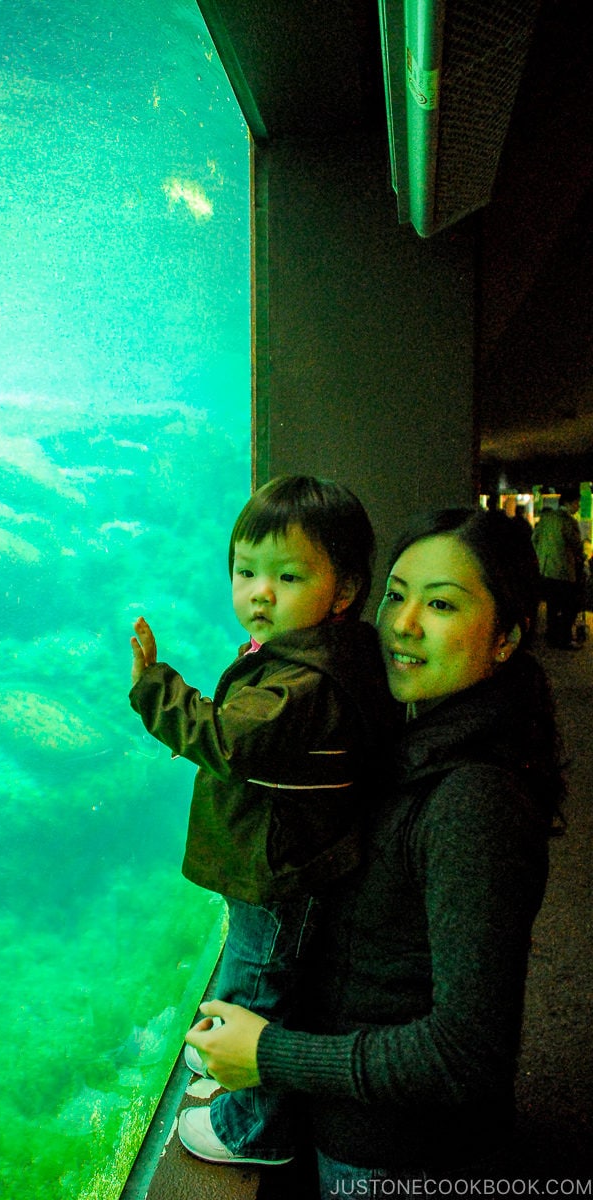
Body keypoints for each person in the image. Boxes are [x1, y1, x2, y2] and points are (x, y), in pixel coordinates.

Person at [183, 507, 565, 1189]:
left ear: (505, 636)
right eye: (396, 594)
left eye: (441, 604)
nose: (403, 624)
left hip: (399, 1159)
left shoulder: (474, 802)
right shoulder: (413, 737)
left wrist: (269, 1055)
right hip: (351, 1126)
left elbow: (464, 1055)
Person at [129, 475, 396, 1166]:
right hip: (289, 854)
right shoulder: (325, 649)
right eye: (246, 571)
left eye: (286, 575)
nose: (259, 591)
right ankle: (226, 1065)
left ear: (342, 591)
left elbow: (224, 740)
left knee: (258, 985)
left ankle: (256, 1129)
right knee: (255, 971)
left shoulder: (300, 681)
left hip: (279, 867)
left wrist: (157, 686)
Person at [532, 488, 585, 649]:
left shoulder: (546, 518)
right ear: (569, 503)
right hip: (562, 570)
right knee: (569, 606)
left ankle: (552, 635)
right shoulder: (568, 521)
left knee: (552, 606)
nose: (578, 507)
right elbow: (576, 546)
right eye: (577, 503)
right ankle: (564, 638)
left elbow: (534, 539)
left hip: (545, 569)